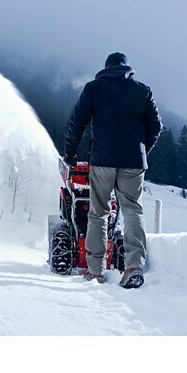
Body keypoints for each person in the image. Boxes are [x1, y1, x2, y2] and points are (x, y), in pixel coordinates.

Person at [63, 52, 162, 288]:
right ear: (127, 67)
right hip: (133, 163)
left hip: (102, 160)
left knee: (98, 212)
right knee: (132, 211)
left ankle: (95, 270)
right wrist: (140, 151)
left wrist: (69, 154)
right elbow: (156, 127)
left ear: (107, 67)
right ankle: (133, 267)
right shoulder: (143, 90)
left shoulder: (94, 88)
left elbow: (77, 121)